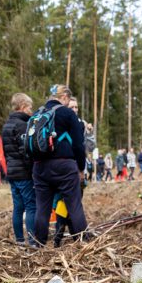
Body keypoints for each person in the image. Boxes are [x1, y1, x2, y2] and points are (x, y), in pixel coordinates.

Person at [30, 84, 87, 246]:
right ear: (64, 97)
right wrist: (81, 168)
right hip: (64, 166)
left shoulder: (37, 113)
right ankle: (82, 242)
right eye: (68, 100)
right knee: (74, 205)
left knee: (42, 208)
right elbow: (78, 144)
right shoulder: (67, 113)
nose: (69, 104)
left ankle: (38, 244)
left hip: (40, 166)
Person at [2, 92, 35, 245]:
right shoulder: (22, 125)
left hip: (12, 173)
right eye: (30, 108)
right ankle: (33, 241)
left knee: (18, 207)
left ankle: (19, 240)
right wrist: (32, 170)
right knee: (30, 206)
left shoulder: (6, 125)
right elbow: (25, 152)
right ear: (22, 107)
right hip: (23, 173)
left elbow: (6, 151)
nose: (31, 111)